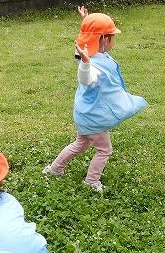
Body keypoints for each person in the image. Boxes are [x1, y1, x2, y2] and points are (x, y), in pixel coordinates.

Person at [43, 10, 147, 192]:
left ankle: (54, 169)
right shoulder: (92, 65)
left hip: (85, 114)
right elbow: (86, 79)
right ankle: (91, 181)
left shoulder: (91, 53)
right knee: (104, 150)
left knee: (79, 145)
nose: (114, 40)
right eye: (113, 36)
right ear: (105, 39)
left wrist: (88, 21)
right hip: (94, 118)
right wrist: (84, 64)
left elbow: (90, 37)